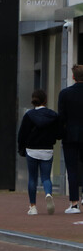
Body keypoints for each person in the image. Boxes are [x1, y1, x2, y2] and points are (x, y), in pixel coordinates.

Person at [17, 89, 59, 216]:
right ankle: (48, 194)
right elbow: (59, 133)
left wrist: (21, 148)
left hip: (32, 150)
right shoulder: (53, 115)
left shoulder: (29, 116)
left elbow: (22, 134)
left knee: (33, 178)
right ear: (45, 100)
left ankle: (33, 206)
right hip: (47, 149)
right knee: (46, 177)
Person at [58, 64, 83, 214]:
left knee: (72, 169)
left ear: (73, 77)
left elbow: (61, 117)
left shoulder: (65, 94)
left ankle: (74, 203)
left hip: (70, 135)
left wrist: (60, 133)